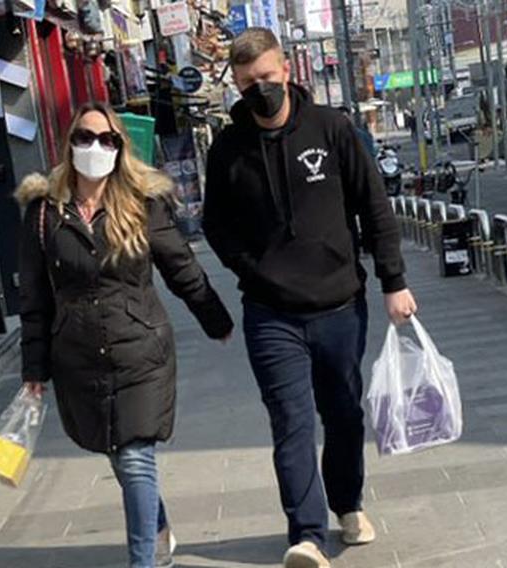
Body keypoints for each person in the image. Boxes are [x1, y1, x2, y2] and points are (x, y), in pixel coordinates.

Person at [202, 28, 417, 568]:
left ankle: (347, 502)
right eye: (248, 83)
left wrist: (394, 280)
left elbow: (375, 206)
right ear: (236, 82)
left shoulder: (332, 129)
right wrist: (250, 269)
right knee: (291, 422)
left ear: (287, 71)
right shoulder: (228, 149)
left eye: (267, 79)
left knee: (343, 415)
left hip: (340, 306)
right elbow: (216, 225)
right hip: (271, 314)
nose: (259, 91)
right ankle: (307, 535)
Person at [16, 102, 234, 568]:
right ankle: (157, 528)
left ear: (120, 149)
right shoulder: (42, 213)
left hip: (141, 351)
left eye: (107, 139)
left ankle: (145, 561)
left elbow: (182, 267)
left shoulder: (141, 204)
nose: (95, 147)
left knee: (135, 456)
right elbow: (34, 298)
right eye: (85, 137)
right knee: (120, 457)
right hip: (78, 357)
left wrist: (216, 320)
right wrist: (33, 367)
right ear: (68, 143)